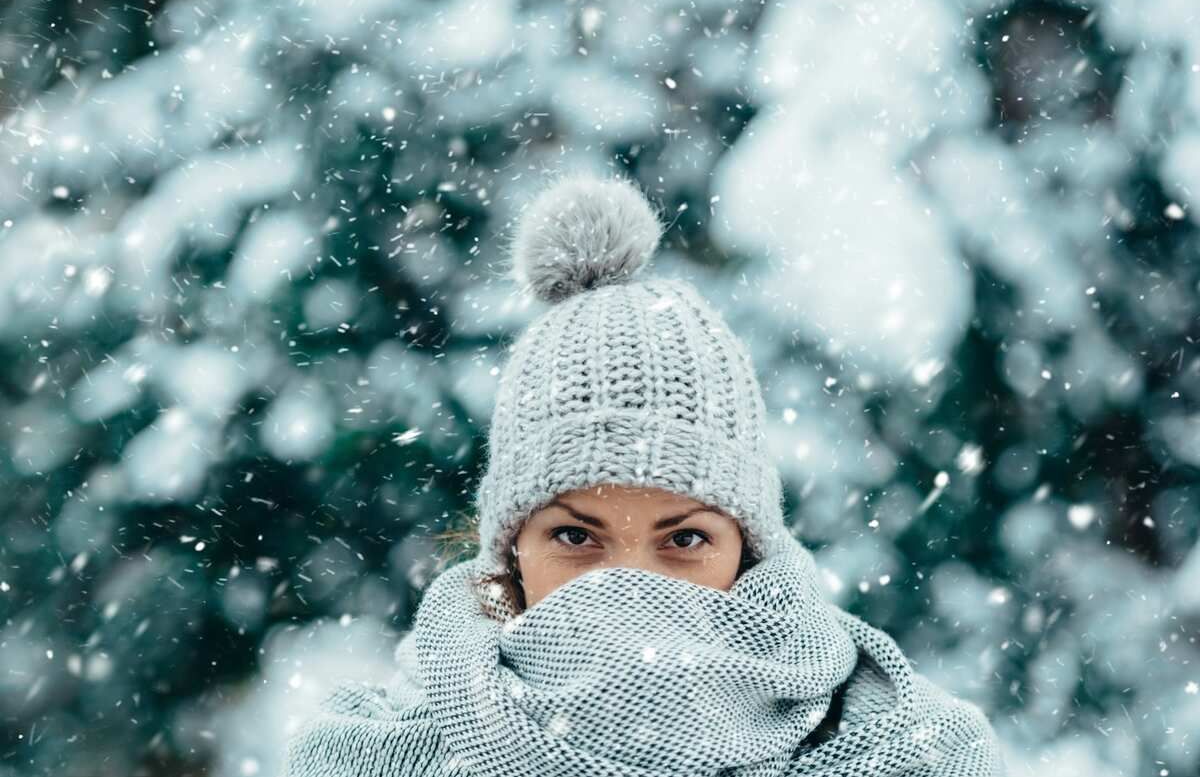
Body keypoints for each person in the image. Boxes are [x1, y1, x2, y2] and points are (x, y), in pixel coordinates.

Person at [283, 174, 1007, 777]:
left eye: (685, 539)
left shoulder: (911, 756)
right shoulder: (372, 757)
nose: (631, 582)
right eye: (575, 534)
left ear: (749, 552)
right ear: (509, 553)